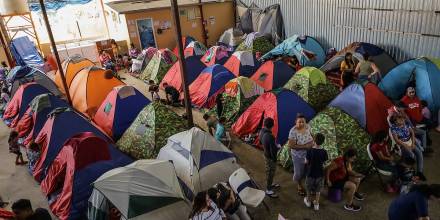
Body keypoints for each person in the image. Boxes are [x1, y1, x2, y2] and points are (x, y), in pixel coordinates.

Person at [287, 114, 314, 197]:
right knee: (299, 172)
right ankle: (299, 185)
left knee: (308, 170)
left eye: (303, 122)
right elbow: (291, 146)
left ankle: (309, 185)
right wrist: (305, 146)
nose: (302, 123)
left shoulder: (308, 127)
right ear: (296, 122)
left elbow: (312, 135)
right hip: (298, 155)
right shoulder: (293, 131)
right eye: (300, 122)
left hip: (309, 153)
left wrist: (313, 143)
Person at [303, 133, 328, 211]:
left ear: (314, 140)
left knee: (308, 188)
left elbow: (306, 162)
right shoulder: (324, 152)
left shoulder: (310, 150)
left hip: (310, 173)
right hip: (320, 174)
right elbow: (324, 163)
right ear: (323, 142)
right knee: (318, 190)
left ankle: (308, 201)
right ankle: (316, 204)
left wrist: (305, 161)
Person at [259, 117, 280, 198]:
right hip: (270, 158)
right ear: (272, 126)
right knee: (270, 172)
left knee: (269, 171)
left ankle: (270, 184)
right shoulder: (270, 136)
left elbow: (261, 142)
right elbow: (273, 151)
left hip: (265, 154)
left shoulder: (261, 131)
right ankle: (268, 189)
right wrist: (277, 147)